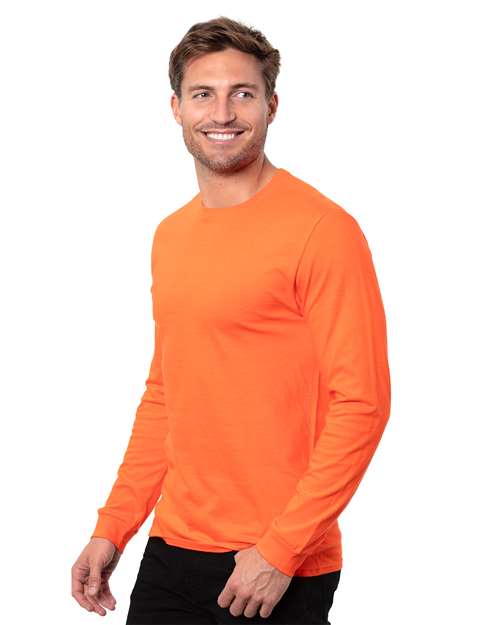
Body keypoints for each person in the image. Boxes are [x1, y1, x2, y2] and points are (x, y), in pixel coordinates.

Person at [71, 15, 391, 625]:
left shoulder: (323, 231)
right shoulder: (171, 236)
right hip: (173, 549)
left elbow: (363, 403)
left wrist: (281, 549)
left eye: (242, 93)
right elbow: (167, 394)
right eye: (203, 94)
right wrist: (113, 527)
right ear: (176, 108)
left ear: (272, 105)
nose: (222, 113)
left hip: (276, 560)